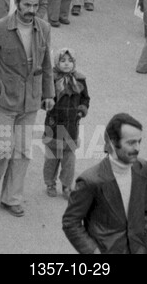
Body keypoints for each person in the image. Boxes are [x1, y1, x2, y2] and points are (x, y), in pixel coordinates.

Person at [0, 0, 54, 216]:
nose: (32, 10)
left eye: (35, 5)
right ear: (17, 4)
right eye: (27, 5)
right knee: (3, 149)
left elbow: (46, 63)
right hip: (5, 100)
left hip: (30, 100)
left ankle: (11, 198)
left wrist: (49, 94)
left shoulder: (43, 28)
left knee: (22, 151)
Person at [62, 112, 147, 254]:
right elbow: (70, 222)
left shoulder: (143, 169)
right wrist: (92, 250)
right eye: (131, 142)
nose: (137, 148)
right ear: (112, 142)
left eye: (139, 141)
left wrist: (145, 242)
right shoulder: (90, 181)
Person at [43, 48, 90, 199]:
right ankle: (50, 183)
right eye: (62, 61)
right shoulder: (51, 79)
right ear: (57, 62)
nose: (66, 64)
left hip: (71, 126)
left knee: (69, 160)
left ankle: (66, 186)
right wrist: (46, 103)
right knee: (52, 157)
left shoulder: (80, 80)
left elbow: (85, 98)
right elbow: (43, 97)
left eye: (70, 61)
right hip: (54, 125)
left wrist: (81, 110)